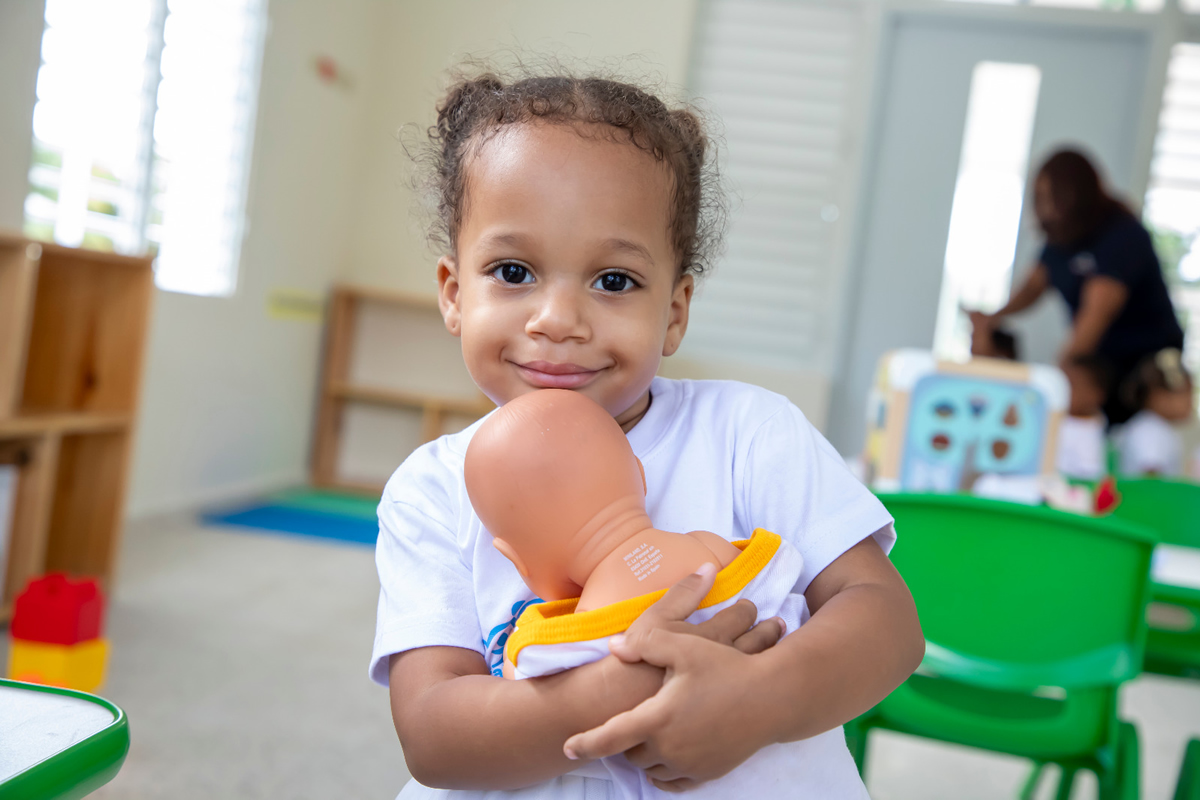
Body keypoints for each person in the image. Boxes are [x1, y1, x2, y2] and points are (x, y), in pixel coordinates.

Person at [369, 69, 924, 799]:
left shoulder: (751, 433)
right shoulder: (434, 490)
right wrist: (626, 686)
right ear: (454, 292)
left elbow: (885, 621)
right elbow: (434, 735)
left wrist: (762, 699)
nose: (558, 319)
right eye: (513, 271)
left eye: (614, 281)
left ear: (674, 310)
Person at [970, 149, 1185, 426]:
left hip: (1140, 374)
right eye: (1041, 198)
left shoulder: (1122, 237)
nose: (1047, 208)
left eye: (1053, 197)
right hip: (1097, 363)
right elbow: (1034, 285)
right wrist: (995, 317)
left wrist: (1052, 384)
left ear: (1076, 195)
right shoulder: (1061, 238)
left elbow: (1094, 317)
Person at [1114, 348, 1194, 476]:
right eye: (1185, 394)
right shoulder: (1149, 430)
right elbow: (1150, 476)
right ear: (1157, 396)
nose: (1190, 402)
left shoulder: (1157, 427)